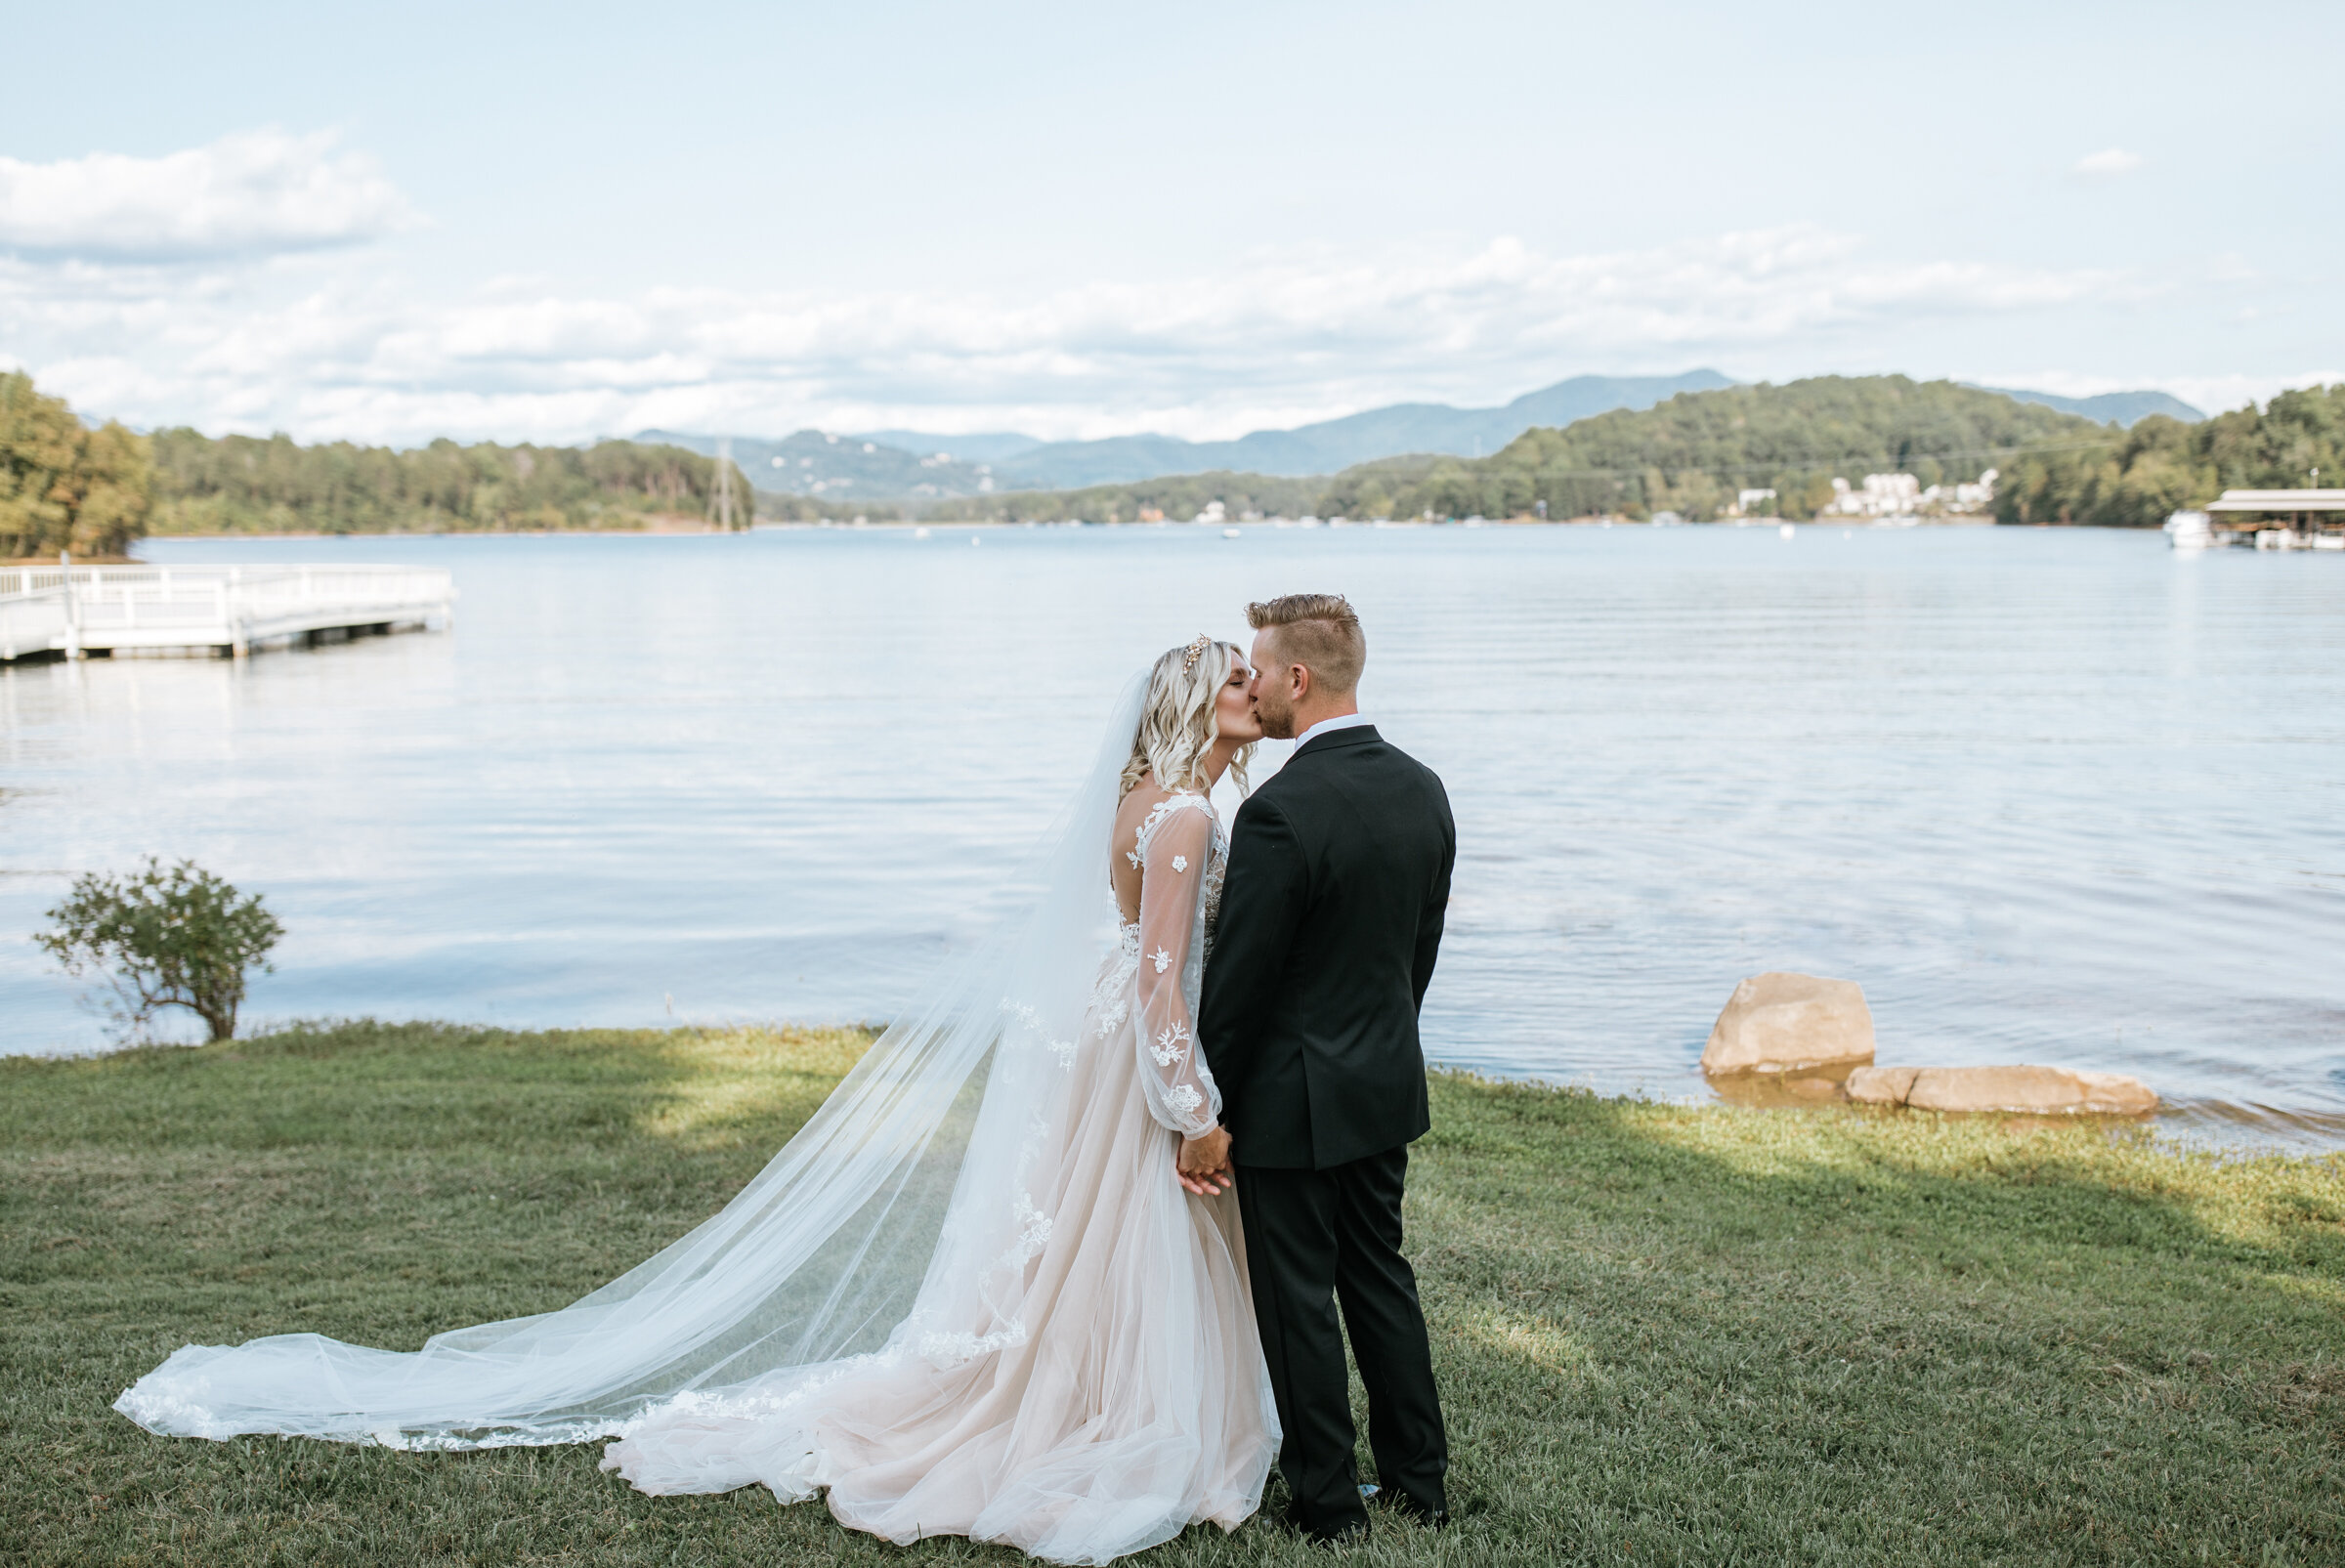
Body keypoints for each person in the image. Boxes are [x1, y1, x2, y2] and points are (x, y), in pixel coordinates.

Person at [115, 638, 1280, 1566]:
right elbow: (1157, 979)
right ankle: (1100, 1420)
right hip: (1130, 1050)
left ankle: (1081, 1394)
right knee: (1118, 1233)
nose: (1250, 689)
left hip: (1090, 1043)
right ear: (1191, 697)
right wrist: (1193, 1109)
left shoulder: (1143, 798)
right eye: (1232, 676)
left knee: (1084, 1243)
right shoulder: (1181, 814)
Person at [1191, 592, 1457, 1546]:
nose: (1251, 685)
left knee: (1299, 1301)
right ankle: (1422, 1484)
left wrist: (1206, 1109)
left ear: (1295, 679)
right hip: (1383, 1086)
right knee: (1380, 1279)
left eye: (1257, 669)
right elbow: (1413, 959)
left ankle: (1330, 1505)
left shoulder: (1279, 812)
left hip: (1290, 1105)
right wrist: (1378, 1046)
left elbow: (1240, 989)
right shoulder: (1423, 786)